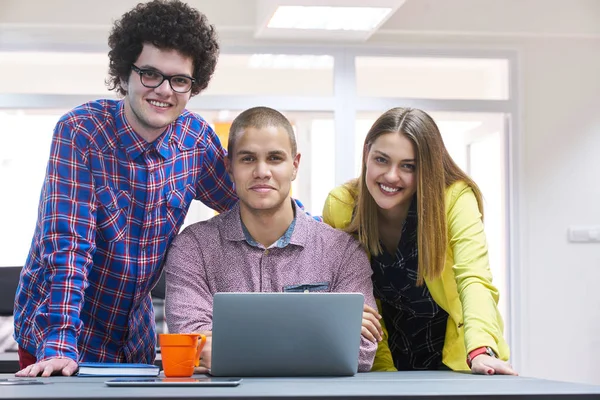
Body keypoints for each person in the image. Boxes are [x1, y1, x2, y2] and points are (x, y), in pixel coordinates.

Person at [14, 0, 237, 377]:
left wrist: (325, 236)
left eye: (179, 79)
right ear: (125, 73)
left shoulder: (195, 139)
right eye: (150, 73)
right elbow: (69, 244)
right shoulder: (82, 133)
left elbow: (251, 205)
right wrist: (59, 342)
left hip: (132, 337)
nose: (164, 90)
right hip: (56, 332)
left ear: (192, 85)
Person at [164, 106, 377, 372]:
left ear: (295, 165)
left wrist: (234, 345)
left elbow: (360, 351)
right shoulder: (193, 247)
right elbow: (194, 345)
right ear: (230, 167)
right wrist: (321, 329)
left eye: (275, 158)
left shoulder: (342, 252)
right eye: (248, 159)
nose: (262, 171)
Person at [323, 107, 517, 375]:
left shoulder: (455, 199)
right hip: (383, 353)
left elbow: (474, 278)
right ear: (367, 153)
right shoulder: (342, 205)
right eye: (381, 160)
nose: (391, 176)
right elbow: (340, 293)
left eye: (408, 166)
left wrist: (480, 350)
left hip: (456, 355)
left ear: (427, 166)